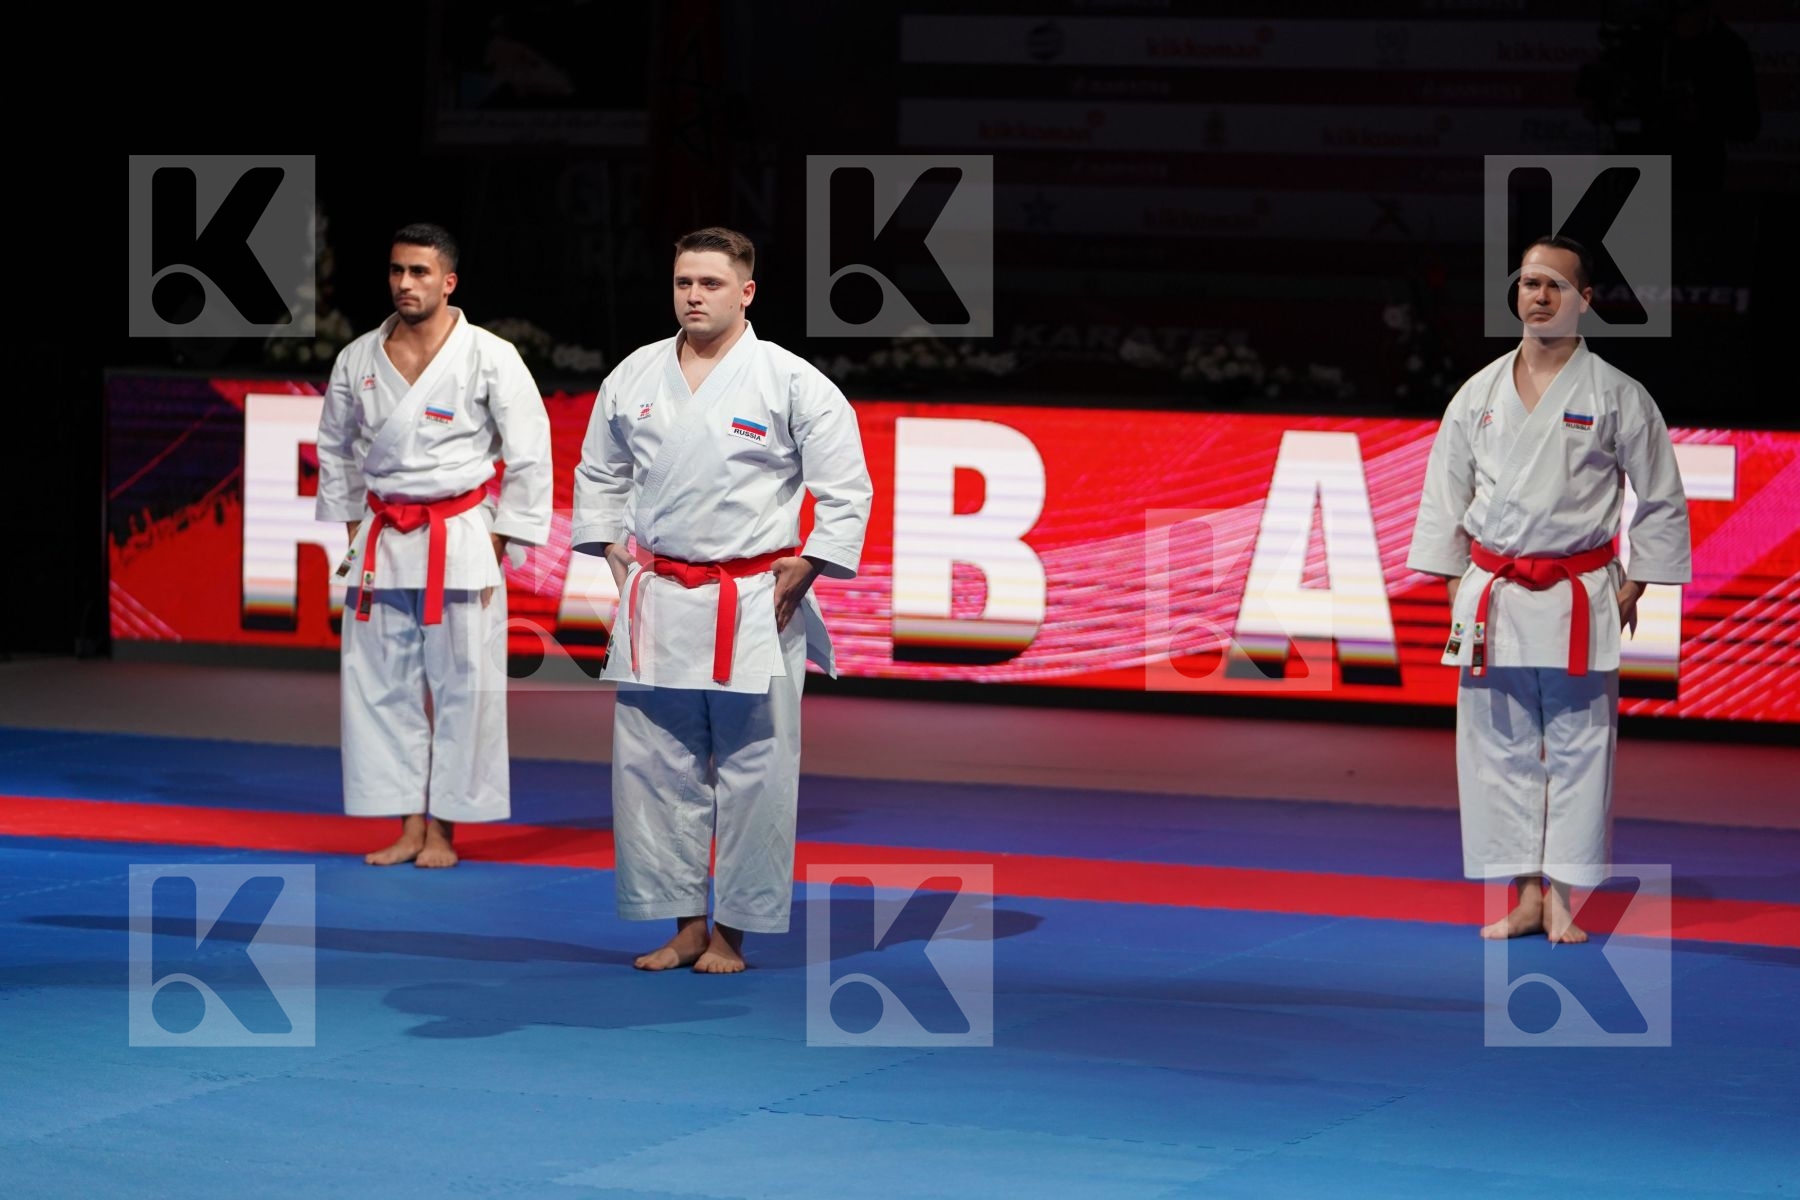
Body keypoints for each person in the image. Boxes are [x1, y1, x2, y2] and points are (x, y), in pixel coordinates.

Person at [571, 226, 872, 972]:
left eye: (709, 283)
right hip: (659, 597)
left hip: (753, 601)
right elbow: (599, 473)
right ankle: (683, 925)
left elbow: (846, 488)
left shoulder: (791, 380)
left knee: (756, 768)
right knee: (656, 766)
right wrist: (610, 547)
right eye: (683, 283)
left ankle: (735, 929)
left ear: (746, 291)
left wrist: (809, 565)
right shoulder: (635, 375)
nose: (694, 296)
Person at [1406, 236, 1690, 943]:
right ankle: (1523, 894)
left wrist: (1641, 583)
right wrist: (1451, 588)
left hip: (1576, 594)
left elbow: (1660, 496)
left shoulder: (1618, 395)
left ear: (1585, 301)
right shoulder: (1478, 393)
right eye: (1530, 282)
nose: (1538, 295)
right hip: (1494, 592)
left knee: (1580, 746)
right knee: (1496, 749)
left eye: (1555, 285)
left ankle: (1563, 896)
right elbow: (1445, 496)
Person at [314, 223, 553, 868]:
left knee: (465, 688)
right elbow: (334, 449)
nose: (405, 283)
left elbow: (529, 450)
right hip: (383, 539)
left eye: (419, 273)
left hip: (462, 535)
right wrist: (351, 529)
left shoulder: (489, 354)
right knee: (380, 686)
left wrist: (502, 537)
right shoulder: (358, 358)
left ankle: (445, 829)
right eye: (396, 271)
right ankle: (408, 823)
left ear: (448, 281)